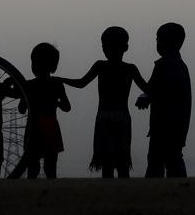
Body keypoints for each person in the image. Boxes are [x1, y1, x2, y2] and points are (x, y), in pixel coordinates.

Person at [62, 26, 149, 178]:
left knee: (108, 161)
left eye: (107, 46)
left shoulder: (101, 66)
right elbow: (148, 88)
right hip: (122, 117)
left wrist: (60, 80)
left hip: (105, 117)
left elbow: (81, 83)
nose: (106, 49)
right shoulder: (129, 69)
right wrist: (146, 96)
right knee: (121, 160)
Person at [136, 22, 191, 178]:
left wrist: (146, 96)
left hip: (165, 124)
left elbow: (157, 90)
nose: (157, 43)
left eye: (159, 39)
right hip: (176, 124)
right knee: (172, 158)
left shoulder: (165, 65)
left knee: (159, 159)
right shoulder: (179, 65)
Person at [20, 42, 70, 179]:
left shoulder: (28, 85)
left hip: (33, 128)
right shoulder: (57, 84)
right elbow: (67, 107)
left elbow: (21, 109)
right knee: (50, 168)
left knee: (32, 167)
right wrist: (57, 103)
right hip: (51, 126)